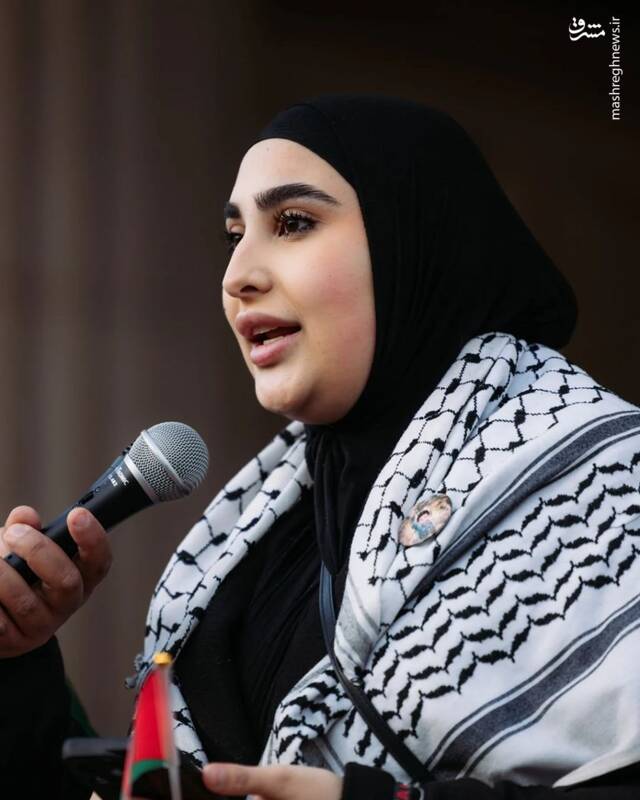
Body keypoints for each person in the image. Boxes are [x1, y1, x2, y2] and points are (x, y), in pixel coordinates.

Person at [1, 93, 639, 800]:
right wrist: (16, 665)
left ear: (412, 241)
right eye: (234, 235)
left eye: (294, 223)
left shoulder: (609, 484)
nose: (237, 275)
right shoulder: (253, 550)